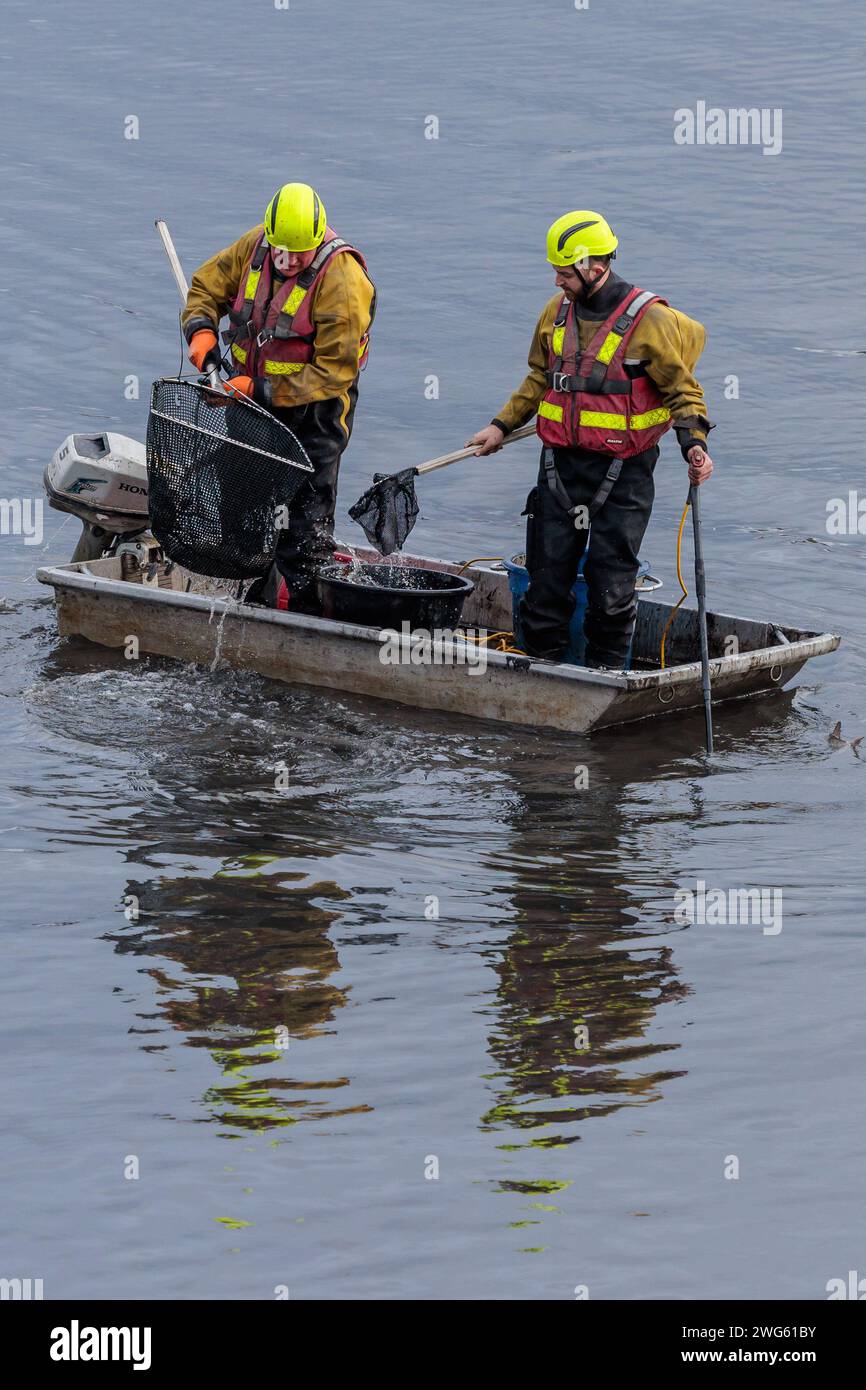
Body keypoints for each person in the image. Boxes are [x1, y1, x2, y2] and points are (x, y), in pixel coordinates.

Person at [468, 211, 713, 667]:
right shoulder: (554, 313)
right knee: (545, 585)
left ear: (593, 268)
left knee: (611, 588)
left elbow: (683, 390)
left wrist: (694, 444)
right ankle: (539, 674)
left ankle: (604, 679)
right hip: (559, 469)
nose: (557, 280)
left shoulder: (650, 321)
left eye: (564, 272)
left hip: (625, 477)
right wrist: (500, 426)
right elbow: (540, 378)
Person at [181, 182, 376, 608]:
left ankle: (308, 618)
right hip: (249, 406)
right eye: (280, 251)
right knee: (239, 510)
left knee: (302, 531)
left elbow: (335, 373)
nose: (286, 261)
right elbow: (205, 286)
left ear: (318, 238)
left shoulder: (343, 282)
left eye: (298, 254)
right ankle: (254, 600)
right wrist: (200, 331)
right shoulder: (255, 246)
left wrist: (258, 389)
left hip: (315, 417)